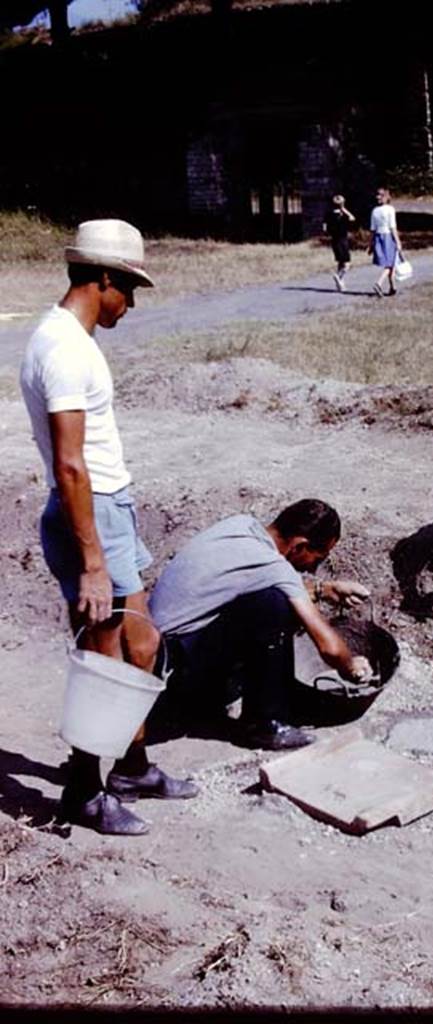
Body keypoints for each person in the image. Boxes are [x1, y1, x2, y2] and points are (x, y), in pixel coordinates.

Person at [20, 219, 197, 837]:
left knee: (141, 644)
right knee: (105, 655)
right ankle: (82, 792)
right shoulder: (66, 350)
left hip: (107, 511)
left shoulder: (64, 338)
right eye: (129, 288)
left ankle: (131, 765)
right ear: (102, 279)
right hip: (88, 517)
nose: (132, 302)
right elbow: (70, 464)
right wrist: (93, 560)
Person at [149, 499, 373, 750]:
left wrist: (323, 589)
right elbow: (329, 648)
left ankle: (218, 697)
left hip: (154, 652)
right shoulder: (273, 566)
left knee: (267, 600)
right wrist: (350, 664)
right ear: (300, 545)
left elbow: (248, 583)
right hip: (170, 678)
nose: (314, 567)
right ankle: (263, 725)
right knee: (274, 604)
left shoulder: (239, 526)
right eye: (317, 558)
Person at [369, 187, 403, 297]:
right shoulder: (390, 209)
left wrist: (371, 244)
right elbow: (392, 227)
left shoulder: (375, 211)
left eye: (380, 195)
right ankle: (379, 283)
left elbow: (373, 229)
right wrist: (398, 241)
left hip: (379, 237)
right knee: (390, 263)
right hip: (388, 236)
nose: (378, 197)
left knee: (390, 263)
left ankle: (393, 287)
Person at [323, 194, 356, 292]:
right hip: (343, 239)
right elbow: (352, 218)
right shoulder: (343, 216)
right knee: (347, 264)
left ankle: (340, 283)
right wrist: (344, 209)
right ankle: (338, 276)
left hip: (334, 240)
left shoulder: (328, 214)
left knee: (340, 262)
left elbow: (325, 228)